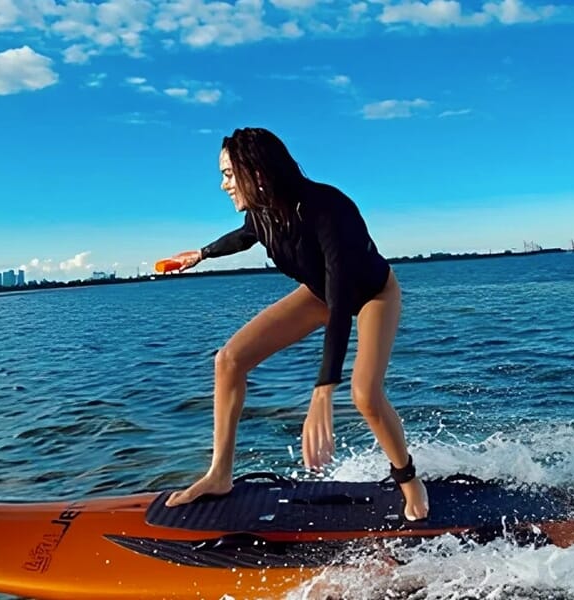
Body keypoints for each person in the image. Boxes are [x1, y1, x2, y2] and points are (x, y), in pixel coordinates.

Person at [164, 127, 429, 521]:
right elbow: (243, 237)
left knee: (364, 395)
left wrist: (323, 391)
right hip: (319, 293)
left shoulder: (328, 208)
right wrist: (201, 255)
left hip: (372, 293)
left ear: (256, 172)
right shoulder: (263, 212)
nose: (223, 185)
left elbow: (342, 301)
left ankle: (410, 483)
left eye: (228, 174)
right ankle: (219, 474)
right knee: (229, 360)